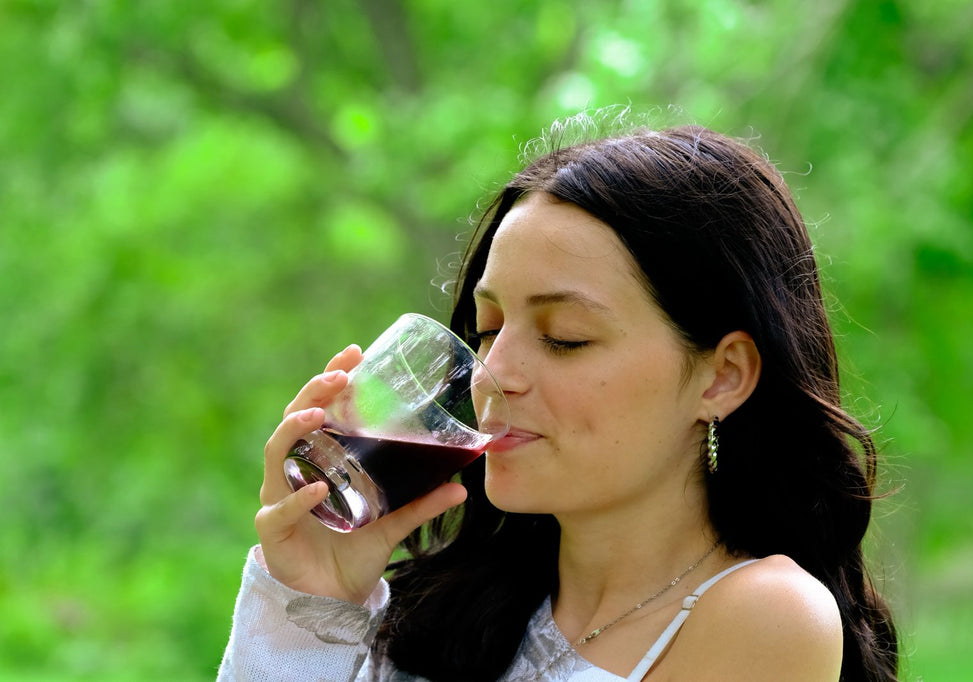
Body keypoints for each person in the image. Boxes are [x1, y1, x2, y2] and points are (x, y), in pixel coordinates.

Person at [218, 119, 899, 681]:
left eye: (565, 338)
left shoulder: (762, 616)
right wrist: (311, 598)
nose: (493, 374)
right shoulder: (443, 612)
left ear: (721, 377)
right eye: (488, 330)